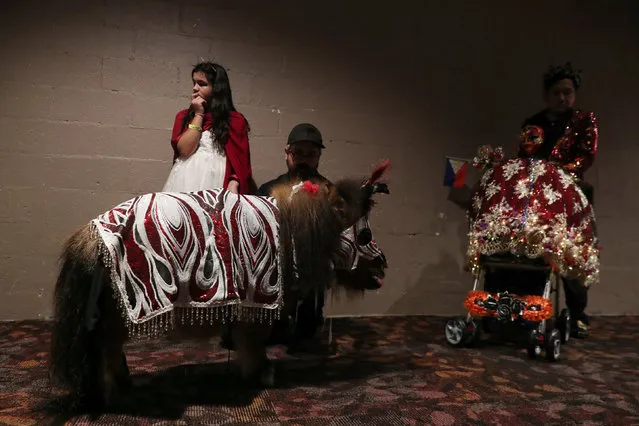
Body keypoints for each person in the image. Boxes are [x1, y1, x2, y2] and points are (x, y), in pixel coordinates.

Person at [516, 62, 599, 338]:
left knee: (572, 256)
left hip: (571, 193)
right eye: (556, 93)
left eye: (568, 92)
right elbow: (524, 157)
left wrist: (559, 172)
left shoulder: (584, 121)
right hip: (538, 195)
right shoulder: (532, 124)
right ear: (546, 95)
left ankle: (578, 316)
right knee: (535, 253)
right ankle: (531, 309)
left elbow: (586, 156)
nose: (562, 98)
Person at [162, 61, 254, 195]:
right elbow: (185, 151)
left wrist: (234, 181)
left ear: (217, 88)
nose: (195, 88)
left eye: (202, 84)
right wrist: (199, 114)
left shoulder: (234, 120)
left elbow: (241, 163)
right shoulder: (183, 117)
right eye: (194, 83)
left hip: (215, 180)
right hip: (185, 179)